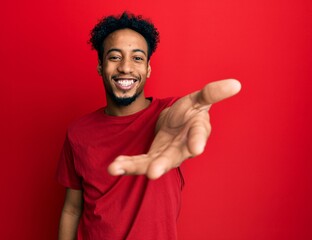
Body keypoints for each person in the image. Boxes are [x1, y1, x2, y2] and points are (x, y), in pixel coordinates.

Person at [56, 12, 241, 240]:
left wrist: (188, 122)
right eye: (115, 57)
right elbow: (72, 209)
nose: (126, 67)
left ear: (148, 68)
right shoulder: (78, 132)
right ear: (100, 66)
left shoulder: (169, 114)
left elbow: (172, 120)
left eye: (137, 58)